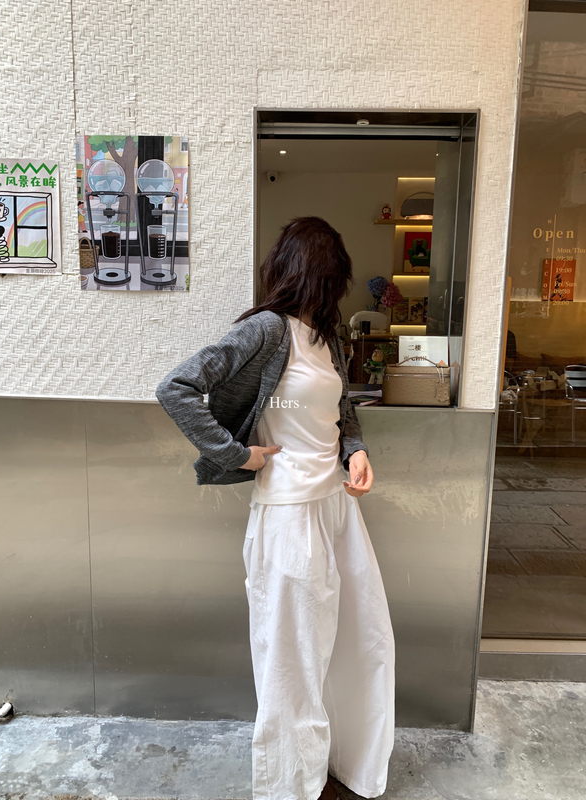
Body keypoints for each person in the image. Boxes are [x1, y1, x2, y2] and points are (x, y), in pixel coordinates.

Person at [156, 217, 395, 800]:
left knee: (363, 642)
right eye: (333, 277)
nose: (337, 289)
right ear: (315, 273)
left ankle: (346, 764)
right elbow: (177, 388)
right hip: (289, 513)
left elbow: (342, 409)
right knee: (293, 659)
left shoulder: (328, 338)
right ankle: (292, 786)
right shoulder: (267, 330)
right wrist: (238, 456)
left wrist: (356, 450)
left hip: (338, 508)